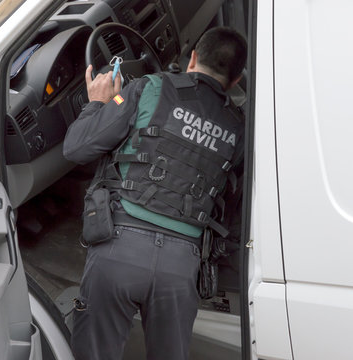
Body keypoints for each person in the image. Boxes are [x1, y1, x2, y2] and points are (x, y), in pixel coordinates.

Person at [63, 26, 247, 360]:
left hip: (118, 249)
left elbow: (77, 148)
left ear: (192, 58)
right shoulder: (240, 128)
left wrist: (97, 104)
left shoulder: (149, 87)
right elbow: (231, 206)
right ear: (235, 81)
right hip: (181, 270)